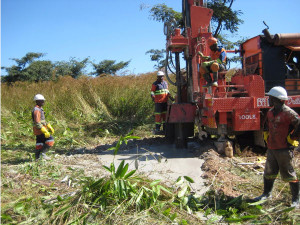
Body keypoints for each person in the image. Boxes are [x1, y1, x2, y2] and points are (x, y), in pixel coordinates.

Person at [254, 86, 299, 208]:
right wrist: (266, 135)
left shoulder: (289, 113)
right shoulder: (270, 112)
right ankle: (266, 194)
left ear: (276, 99)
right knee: (269, 172)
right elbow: (267, 126)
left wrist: (293, 137)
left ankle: (296, 200)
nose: (268, 99)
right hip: (272, 148)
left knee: (289, 173)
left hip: (284, 148)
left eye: (270, 97)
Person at [32, 94, 55, 160]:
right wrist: (43, 130)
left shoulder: (40, 109)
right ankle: (43, 154)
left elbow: (42, 120)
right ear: (37, 101)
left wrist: (48, 125)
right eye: (41, 101)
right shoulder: (37, 110)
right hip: (40, 129)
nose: (43, 102)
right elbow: (37, 122)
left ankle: (37, 157)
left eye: (43, 101)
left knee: (40, 143)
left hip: (40, 129)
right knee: (50, 140)